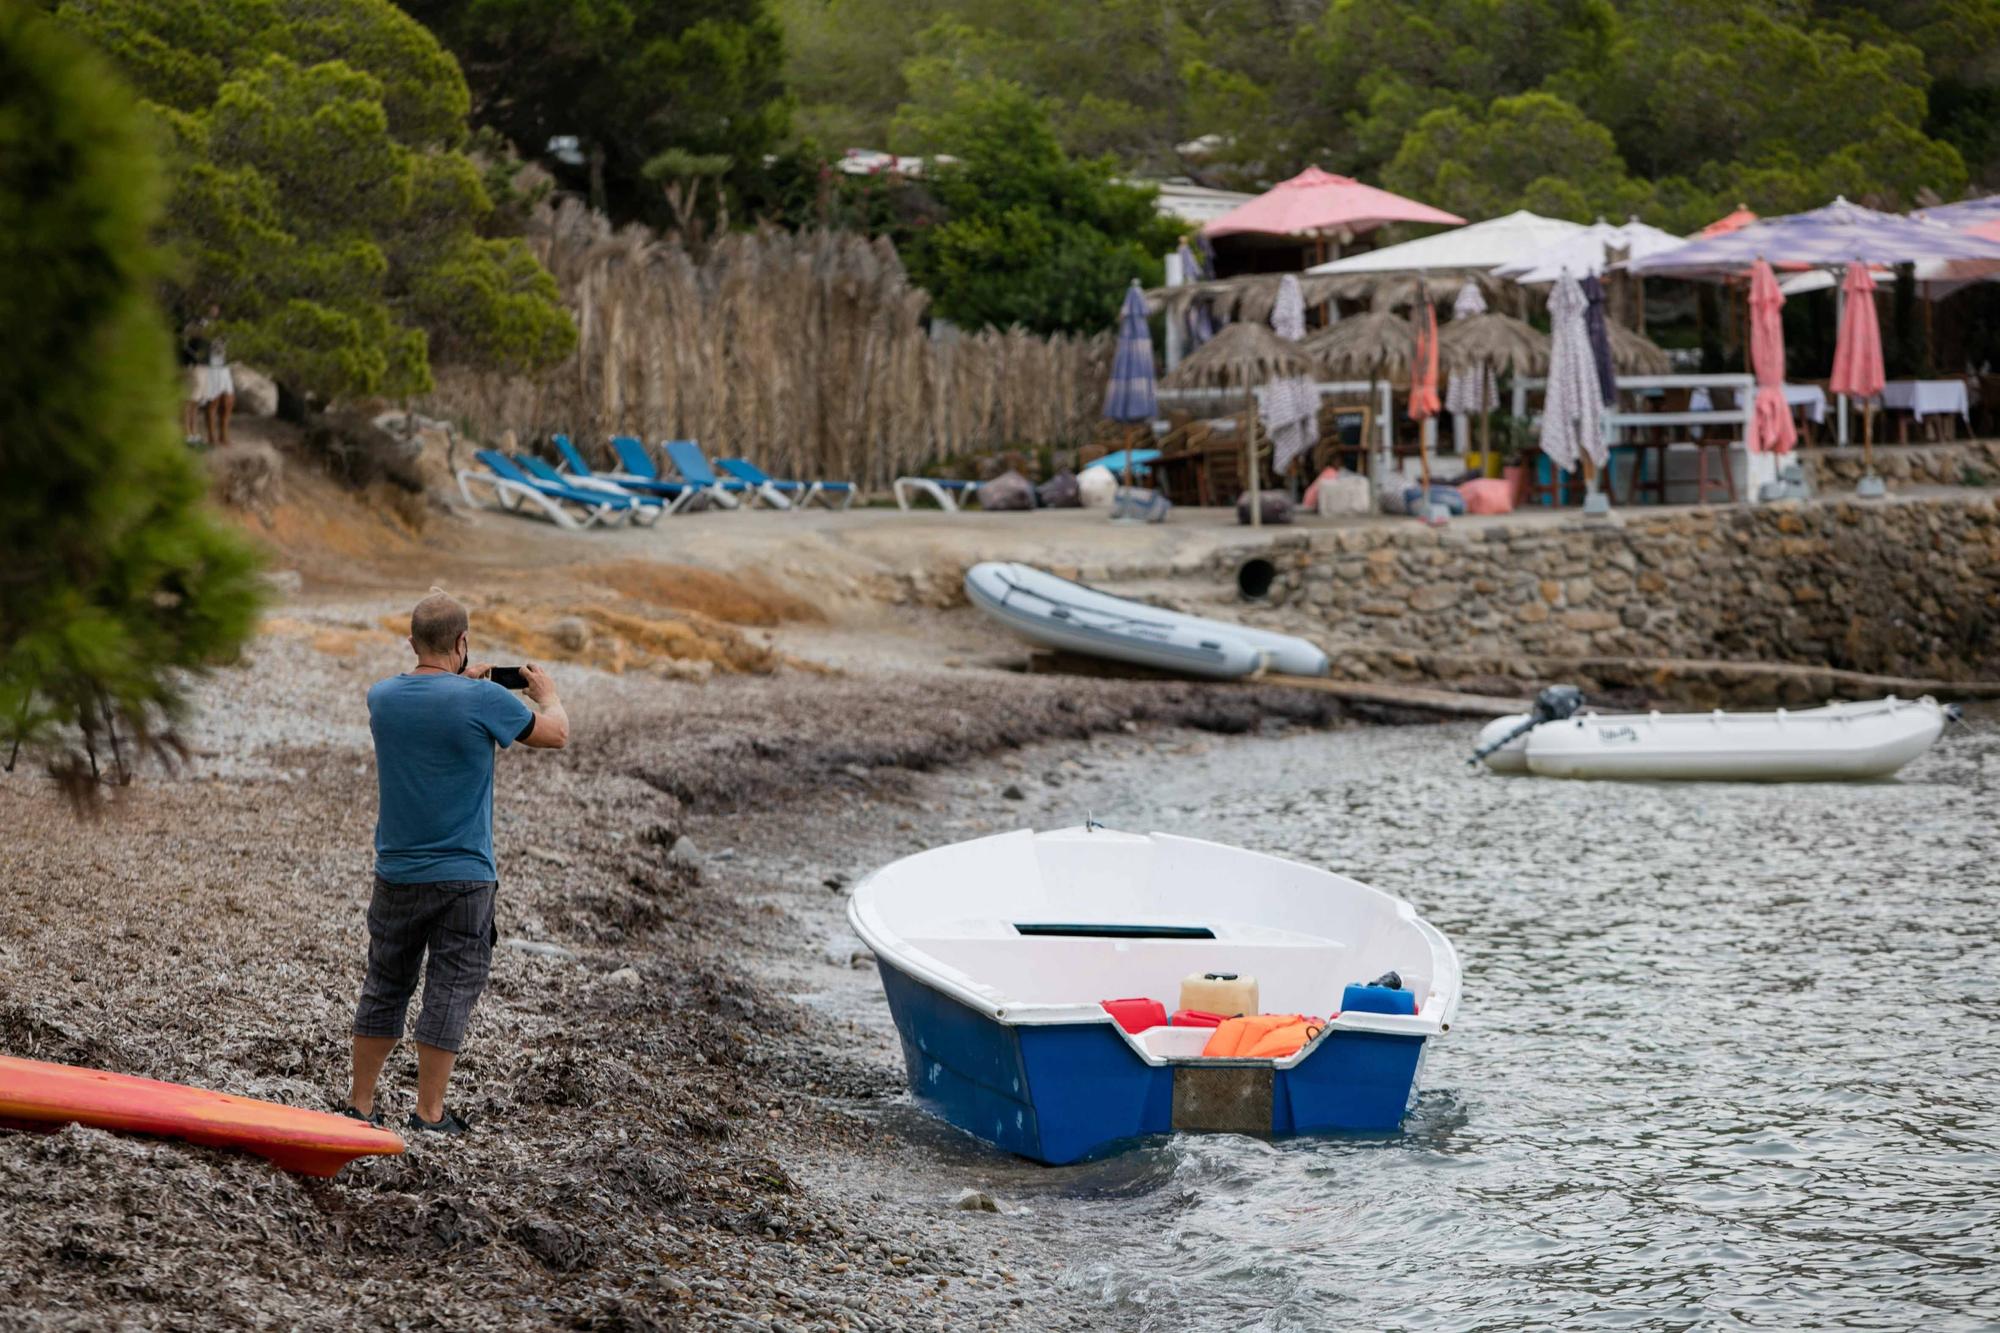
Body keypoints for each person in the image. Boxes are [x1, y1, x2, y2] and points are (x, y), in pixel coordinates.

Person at [346, 590, 569, 1134]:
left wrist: (459, 684)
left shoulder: (382, 697)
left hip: (396, 870)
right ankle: (428, 1113)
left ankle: (359, 1105)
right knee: (450, 986)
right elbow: (556, 734)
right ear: (463, 643)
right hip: (465, 875)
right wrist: (548, 693)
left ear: (411, 642)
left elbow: (429, 704)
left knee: (385, 982)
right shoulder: (485, 702)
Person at [191, 303, 234, 447]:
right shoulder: (203, 324)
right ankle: (211, 436)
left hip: (224, 366)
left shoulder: (223, 325)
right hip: (211, 366)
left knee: (228, 402)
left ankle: (224, 434)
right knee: (213, 402)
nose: (214, 310)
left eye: (216, 308)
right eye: (211, 307)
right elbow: (200, 342)